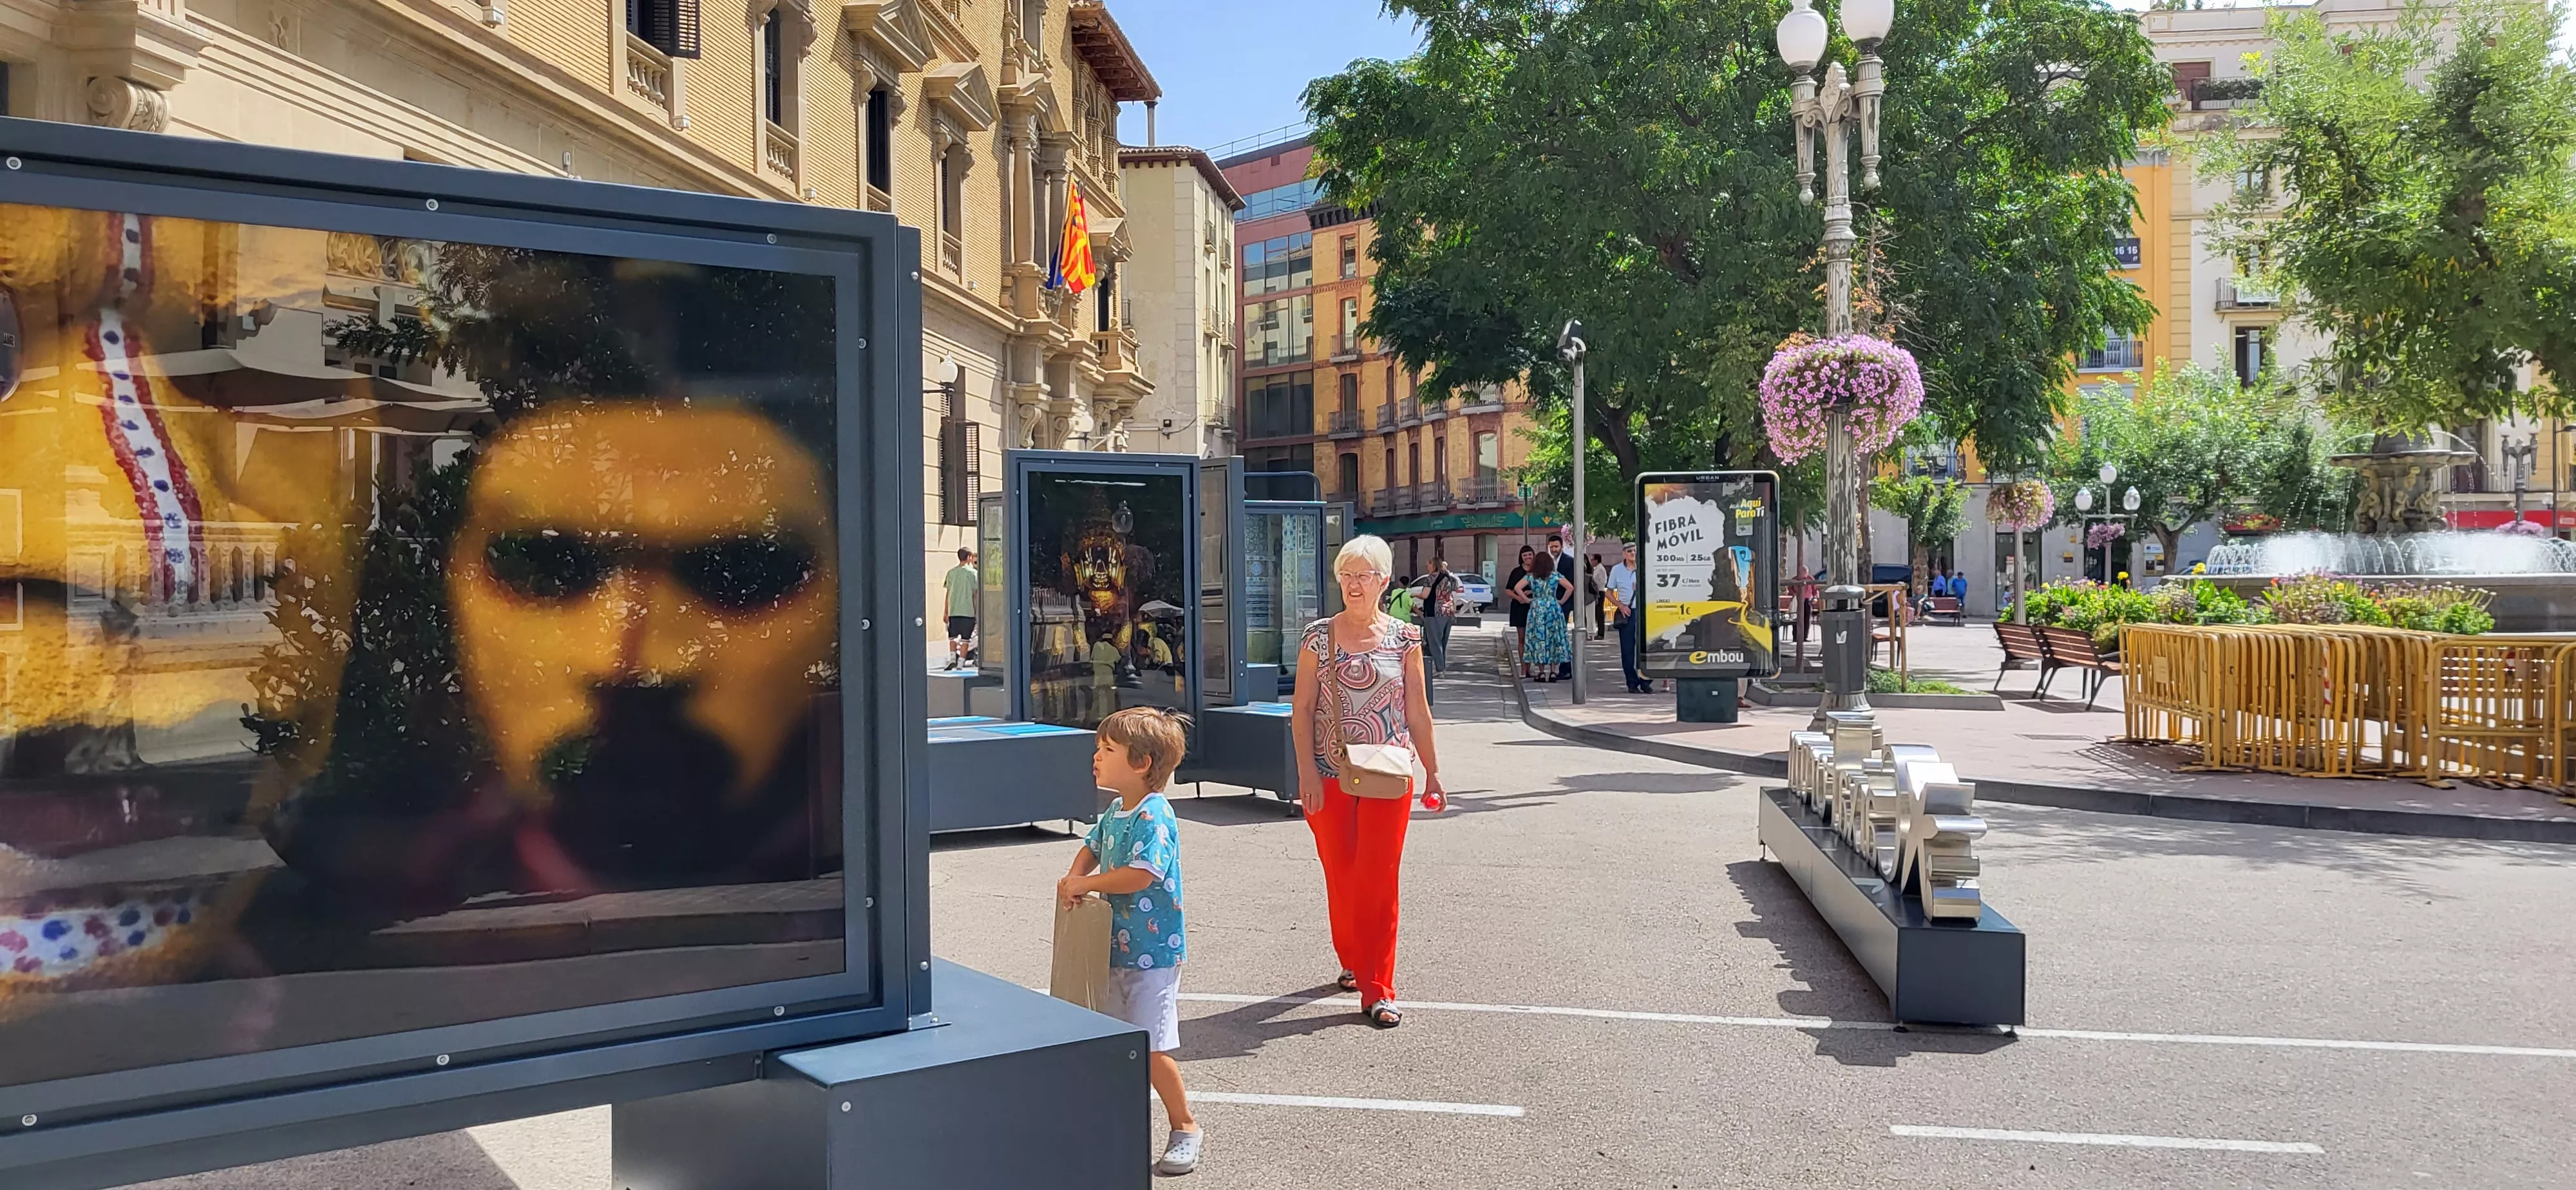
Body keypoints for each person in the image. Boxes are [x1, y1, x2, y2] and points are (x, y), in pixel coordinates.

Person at [1289, 535, 1446, 1029]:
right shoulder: (1317, 638)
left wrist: (1433, 772)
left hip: (1388, 775)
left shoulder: (1406, 638)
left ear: (1384, 581)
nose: (1354, 585)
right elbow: (1302, 709)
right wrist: (1306, 772)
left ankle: (1378, 988)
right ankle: (1353, 958)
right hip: (1328, 774)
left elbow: (1417, 711)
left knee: (1379, 879)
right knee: (1342, 875)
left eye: (1364, 575)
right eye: (1346, 575)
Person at [1057, 708, 1201, 1176]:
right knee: (1117, 1044)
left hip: (1152, 957)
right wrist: (1075, 877)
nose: (1096, 757)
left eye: (1108, 749)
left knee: (1151, 1048)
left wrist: (1086, 884)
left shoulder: (1154, 814)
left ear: (1141, 763)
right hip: (1114, 949)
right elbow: (1091, 846)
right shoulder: (1117, 810)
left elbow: (1142, 874)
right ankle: (1111, 1128)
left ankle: (1185, 1126)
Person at [1517, 554, 1573, 683]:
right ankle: (1553, 671)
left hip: (1537, 608)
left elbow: (1517, 588)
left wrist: (1527, 600)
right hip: (1553, 607)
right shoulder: (1555, 576)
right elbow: (1570, 588)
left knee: (1539, 638)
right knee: (1554, 638)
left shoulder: (1531, 577)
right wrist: (1561, 601)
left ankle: (1541, 672)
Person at [1609, 543, 1651, 694]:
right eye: (1630, 551)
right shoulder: (1617, 570)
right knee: (1627, 649)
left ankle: (1646, 681)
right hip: (1627, 612)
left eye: (1635, 551)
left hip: (1644, 612)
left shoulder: (1645, 568)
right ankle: (1632, 683)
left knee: (1645, 647)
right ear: (1624, 554)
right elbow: (1609, 592)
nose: (1633, 553)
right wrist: (1620, 606)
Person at [1544, 536, 1578, 680]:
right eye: (1551, 547)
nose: (1554, 549)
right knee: (1553, 637)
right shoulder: (1547, 562)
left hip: (1563, 603)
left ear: (1562, 547)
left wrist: (1563, 602)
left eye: (1556, 547)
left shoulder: (1569, 561)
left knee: (1561, 636)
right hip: (1549, 604)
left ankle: (1566, 669)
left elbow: (1572, 584)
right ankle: (1555, 668)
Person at [1419, 558, 1460, 674]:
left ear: (1434, 565)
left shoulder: (1430, 578)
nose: (1427, 568)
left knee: (1435, 643)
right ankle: (1441, 667)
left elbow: (1425, 595)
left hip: (1434, 612)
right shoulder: (1449, 577)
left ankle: (1440, 669)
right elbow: (1456, 588)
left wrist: (1414, 595)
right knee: (1443, 642)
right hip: (1448, 613)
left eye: (1429, 565)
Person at [943, 547, 979, 670]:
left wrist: (946, 612)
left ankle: (953, 658)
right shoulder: (974, 574)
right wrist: (977, 612)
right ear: (969, 557)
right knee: (966, 639)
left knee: (953, 637)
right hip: (968, 611)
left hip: (953, 611)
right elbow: (975, 595)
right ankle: (960, 663)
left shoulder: (951, 573)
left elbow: (948, 593)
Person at [1503, 545, 1537, 673]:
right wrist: (1518, 598)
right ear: (1521, 557)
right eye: (1525, 555)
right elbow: (1508, 590)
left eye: (1530, 555)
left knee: (1533, 639)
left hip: (1534, 607)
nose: (1528, 557)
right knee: (1522, 638)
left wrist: (1531, 592)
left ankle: (1531, 667)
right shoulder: (1516, 572)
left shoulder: (1538, 571)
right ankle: (1523, 668)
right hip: (1519, 608)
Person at [1587, 553, 1611, 640]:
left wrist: (1594, 585)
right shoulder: (1596, 569)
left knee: (1599, 612)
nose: (1591, 562)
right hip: (1597, 592)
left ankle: (1601, 633)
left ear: (1597, 560)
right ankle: (1599, 632)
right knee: (1597, 613)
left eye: (1593, 560)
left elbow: (1602, 581)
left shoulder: (1601, 569)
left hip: (1600, 592)